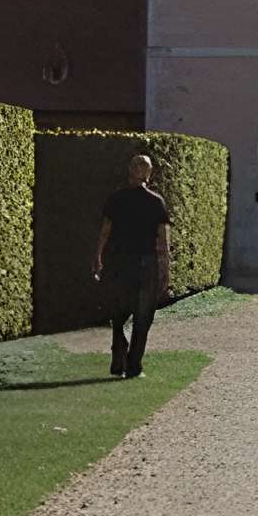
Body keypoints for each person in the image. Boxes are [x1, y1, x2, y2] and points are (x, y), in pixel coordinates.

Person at [91, 150, 173, 378]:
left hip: (119, 262)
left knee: (118, 311)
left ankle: (118, 357)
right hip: (146, 263)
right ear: (149, 174)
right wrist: (165, 269)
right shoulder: (156, 202)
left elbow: (105, 232)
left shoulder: (116, 199)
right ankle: (133, 365)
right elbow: (163, 241)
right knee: (143, 316)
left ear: (130, 171)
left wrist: (98, 256)